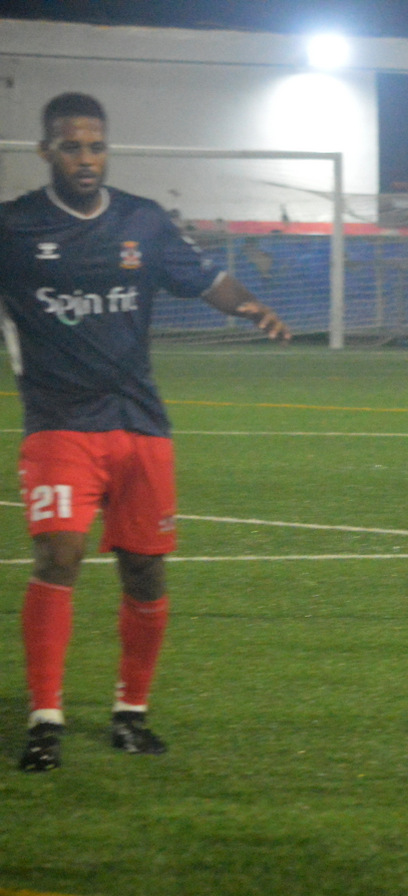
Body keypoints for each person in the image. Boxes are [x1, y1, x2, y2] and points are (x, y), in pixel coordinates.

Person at [0, 92, 289, 772]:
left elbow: (204, 278)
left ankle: (132, 712)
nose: (86, 158)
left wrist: (250, 306)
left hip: (140, 424)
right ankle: (46, 717)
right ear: (46, 152)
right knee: (59, 557)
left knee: (146, 570)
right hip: (60, 425)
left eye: (95, 145)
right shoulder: (14, 229)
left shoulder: (144, 221)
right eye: (71, 146)